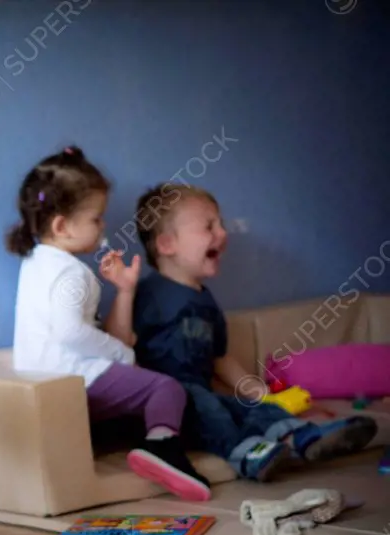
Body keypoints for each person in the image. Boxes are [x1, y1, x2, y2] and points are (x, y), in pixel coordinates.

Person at [132, 183, 378, 481]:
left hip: (202, 393)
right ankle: (245, 454)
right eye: (209, 226)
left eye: (221, 224)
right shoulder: (149, 294)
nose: (223, 234)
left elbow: (220, 358)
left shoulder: (205, 301)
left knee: (249, 408)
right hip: (168, 405)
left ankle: (301, 436)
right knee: (211, 409)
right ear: (167, 244)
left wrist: (259, 392)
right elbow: (124, 347)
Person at [8, 147, 209, 501]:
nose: (103, 229)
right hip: (71, 374)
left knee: (138, 404)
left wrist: (124, 290)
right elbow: (71, 332)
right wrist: (120, 352)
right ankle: (164, 449)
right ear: (62, 225)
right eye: (97, 219)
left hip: (41, 375)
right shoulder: (71, 271)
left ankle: (151, 449)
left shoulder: (36, 262)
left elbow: (92, 333)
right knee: (167, 390)